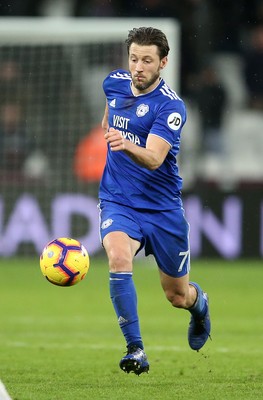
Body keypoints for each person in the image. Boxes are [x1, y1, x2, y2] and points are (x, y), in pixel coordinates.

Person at [98, 27, 211, 375]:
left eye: (147, 60)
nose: (138, 67)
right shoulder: (113, 83)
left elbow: (154, 158)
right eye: (134, 58)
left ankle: (200, 305)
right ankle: (136, 349)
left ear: (163, 62)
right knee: (118, 258)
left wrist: (123, 141)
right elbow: (108, 121)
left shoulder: (171, 106)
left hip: (162, 210)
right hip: (118, 200)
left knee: (176, 296)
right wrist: (111, 135)